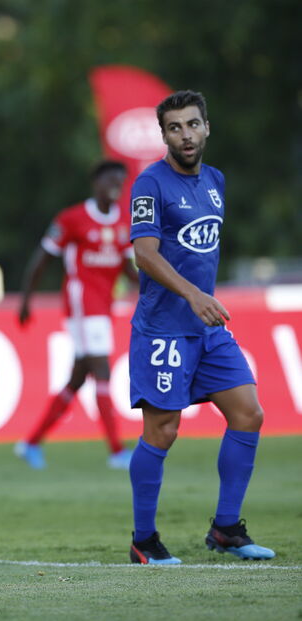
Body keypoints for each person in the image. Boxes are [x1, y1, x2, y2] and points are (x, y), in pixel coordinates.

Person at [126, 90, 274, 564]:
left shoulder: (215, 180)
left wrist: (200, 301)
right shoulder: (150, 183)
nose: (185, 135)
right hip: (165, 331)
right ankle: (143, 540)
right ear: (163, 134)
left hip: (207, 329)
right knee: (162, 432)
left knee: (248, 413)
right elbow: (144, 254)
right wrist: (193, 294)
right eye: (175, 128)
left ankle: (226, 528)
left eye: (192, 125)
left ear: (207, 127)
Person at [15, 161, 138, 470]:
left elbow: (127, 268)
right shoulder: (73, 219)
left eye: (120, 182)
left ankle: (30, 444)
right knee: (102, 370)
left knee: (78, 378)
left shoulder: (124, 222)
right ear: (96, 182)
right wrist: (26, 300)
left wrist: (156, 287)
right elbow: (42, 258)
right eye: (111, 180)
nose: (116, 186)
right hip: (83, 305)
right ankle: (116, 451)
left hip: (103, 307)